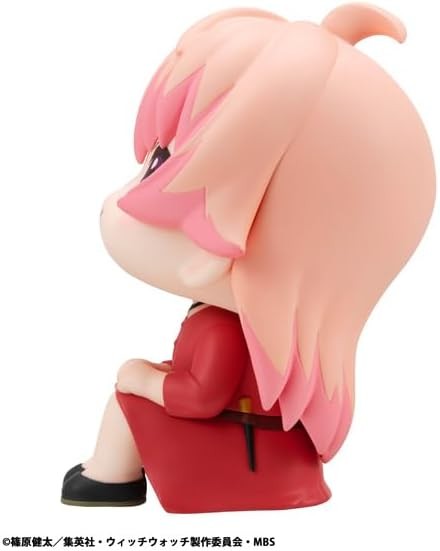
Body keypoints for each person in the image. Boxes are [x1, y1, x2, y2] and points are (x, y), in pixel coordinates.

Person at [61, 4, 435, 512]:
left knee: (124, 403)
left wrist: (143, 379)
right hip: (252, 439)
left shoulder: (223, 331)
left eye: (162, 165)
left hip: (247, 451)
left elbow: (200, 398)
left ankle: (109, 477)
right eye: (156, 160)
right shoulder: (234, 326)